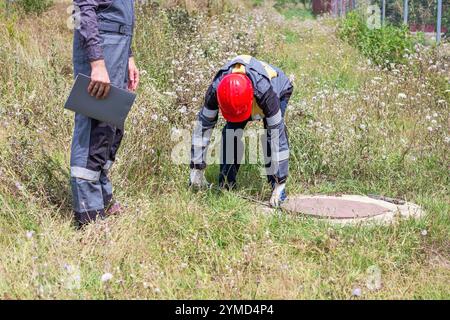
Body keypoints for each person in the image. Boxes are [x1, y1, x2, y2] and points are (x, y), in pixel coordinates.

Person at [189, 55, 293, 207]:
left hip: (279, 88)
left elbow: (278, 138)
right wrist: (196, 170)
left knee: (270, 138)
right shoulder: (216, 89)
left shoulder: (266, 93)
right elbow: (202, 130)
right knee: (231, 133)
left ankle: (275, 187)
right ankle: (226, 184)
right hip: (242, 98)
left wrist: (280, 184)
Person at [70, 0, 139, 226]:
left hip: (117, 49)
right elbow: (82, 9)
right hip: (102, 52)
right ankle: (89, 215)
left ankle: (102, 199)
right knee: (94, 127)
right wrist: (97, 63)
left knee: (111, 129)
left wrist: (128, 56)